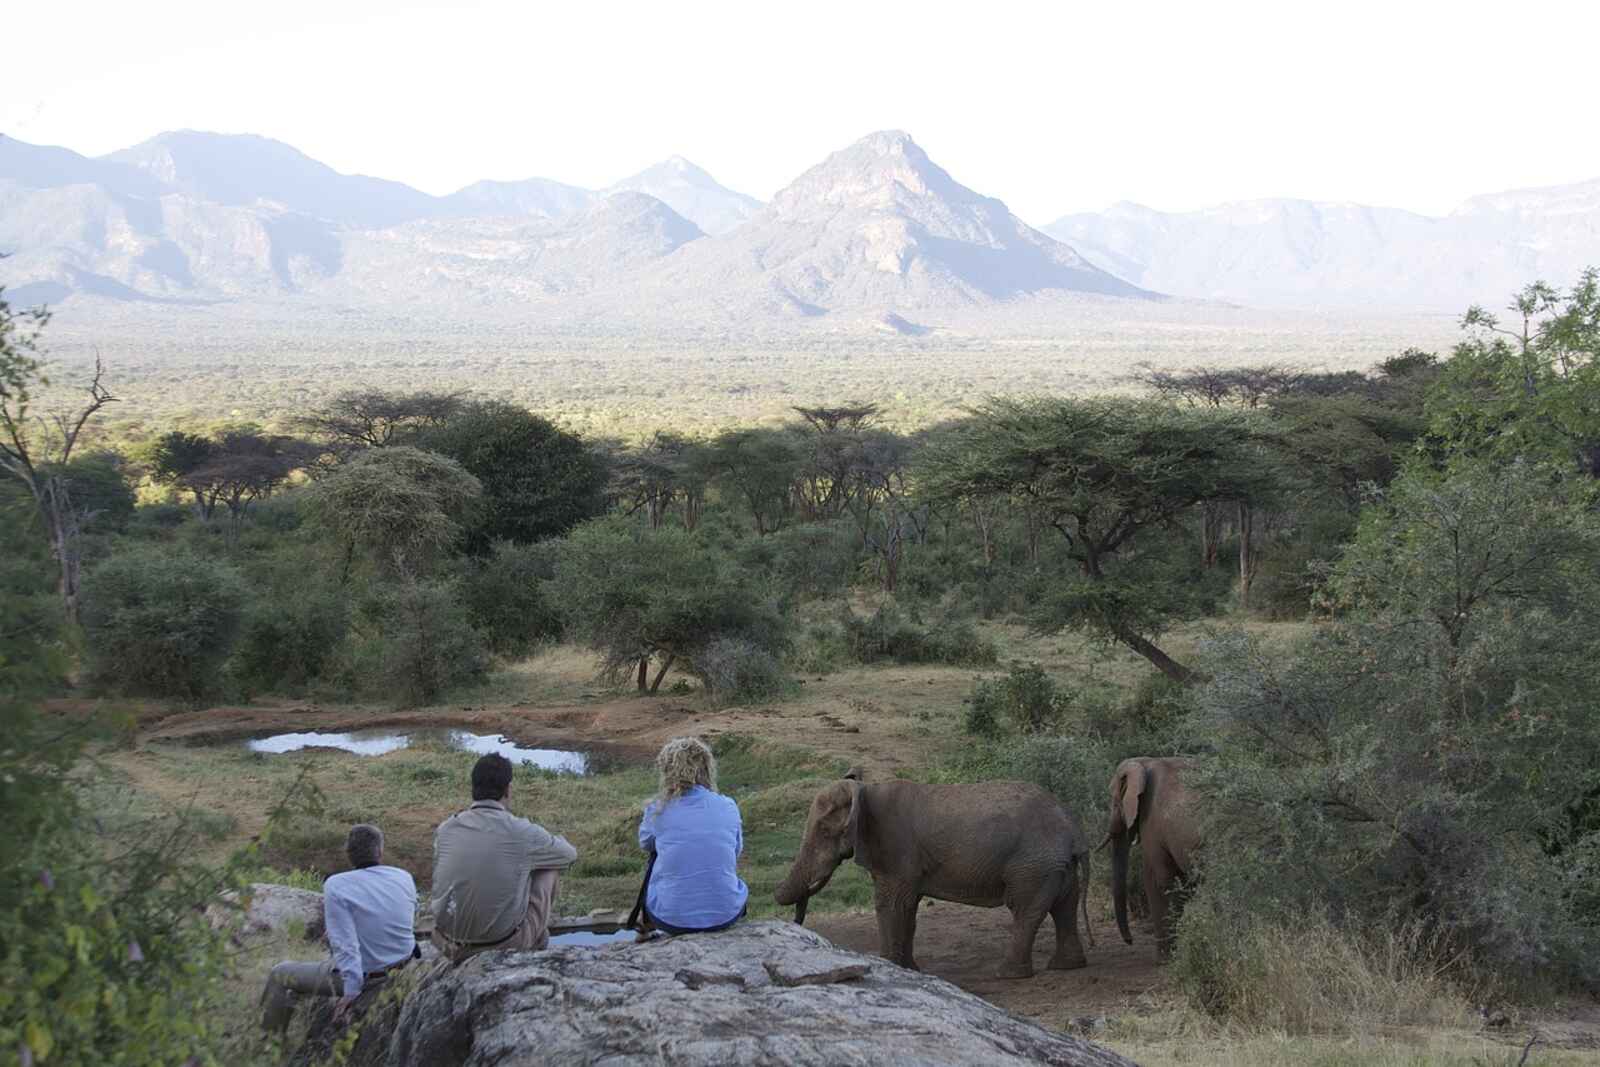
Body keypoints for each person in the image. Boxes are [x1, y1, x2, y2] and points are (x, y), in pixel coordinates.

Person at [260, 824, 417, 1035]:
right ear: (380, 851)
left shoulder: (336, 884)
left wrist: (352, 991)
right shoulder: (403, 876)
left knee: (280, 973)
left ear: (348, 854)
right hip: (404, 964)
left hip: (370, 976)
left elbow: (345, 943)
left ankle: (270, 1043)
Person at [430, 753, 578, 962]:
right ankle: (534, 944)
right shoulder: (521, 831)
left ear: (473, 787)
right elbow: (569, 855)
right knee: (548, 868)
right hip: (500, 945)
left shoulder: (446, 828)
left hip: (444, 940)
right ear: (508, 789)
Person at [637, 737, 748, 934]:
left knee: (656, 853)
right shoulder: (728, 805)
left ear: (667, 772)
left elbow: (645, 843)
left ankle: (647, 926)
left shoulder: (657, 810)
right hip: (726, 915)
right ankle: (718, 900)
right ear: (707, 768)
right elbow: (736, 850)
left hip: (671, 920)